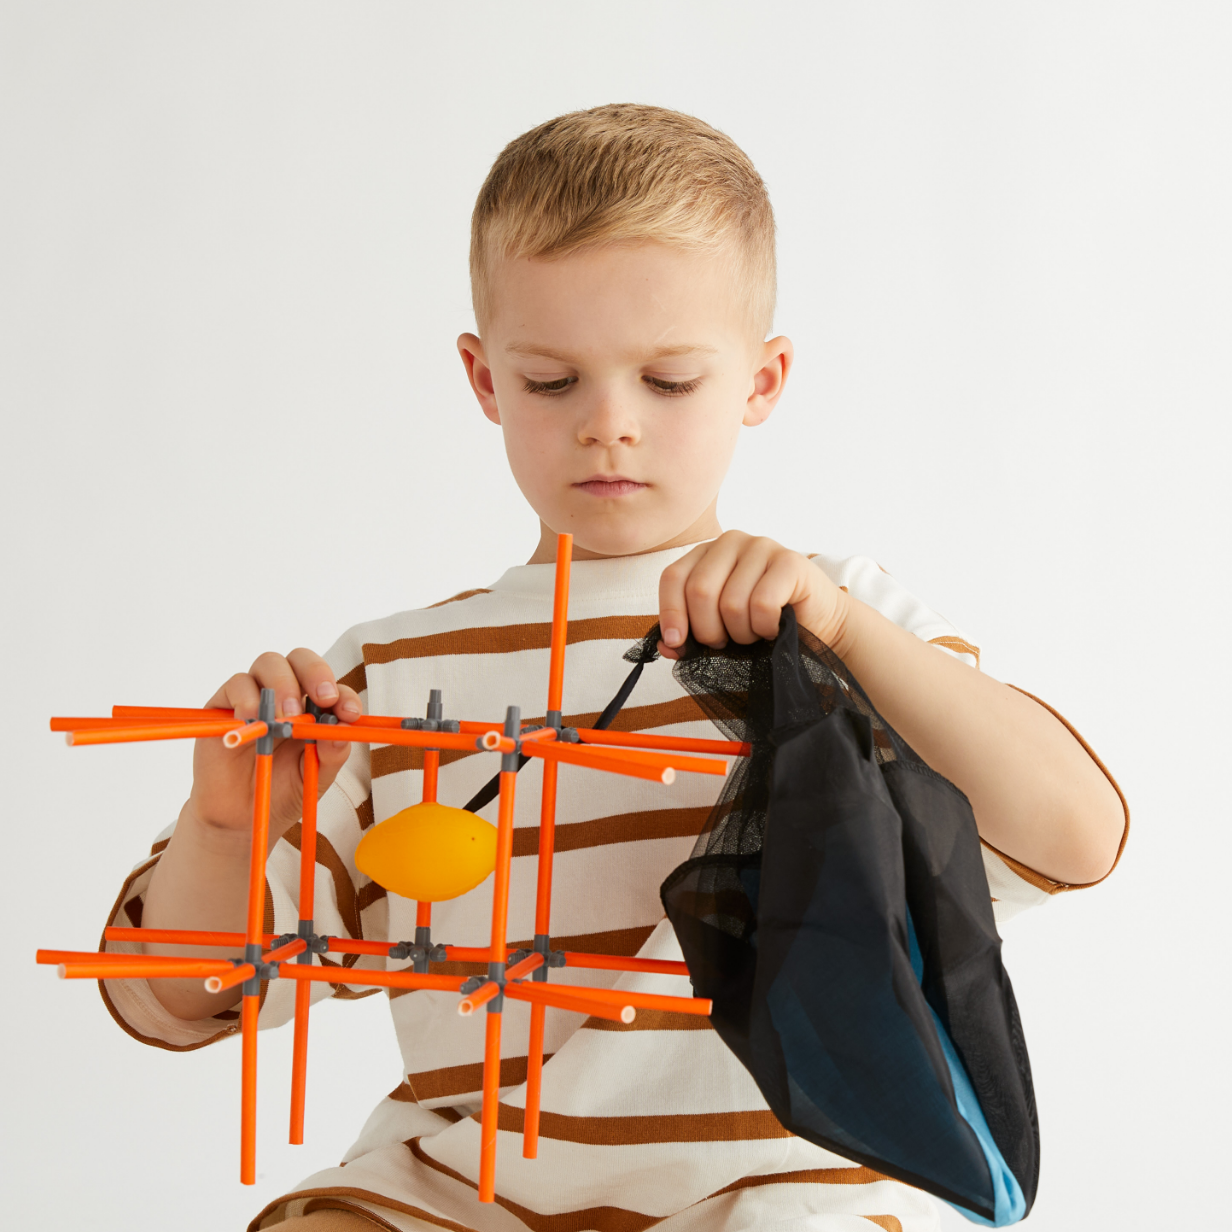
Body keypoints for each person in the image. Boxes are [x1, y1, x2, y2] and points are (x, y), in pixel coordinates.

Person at [99, 105, 1128, 1231]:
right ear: (484, 379)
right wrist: (222, 827)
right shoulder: (387, 677)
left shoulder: (830, 620)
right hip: (467, 1192)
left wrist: (840, 627)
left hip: (784, 1189)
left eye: (669, 380)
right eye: (552, 381)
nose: (608, 425)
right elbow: (168, 1003)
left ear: (762, 381)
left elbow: (1078, 838)